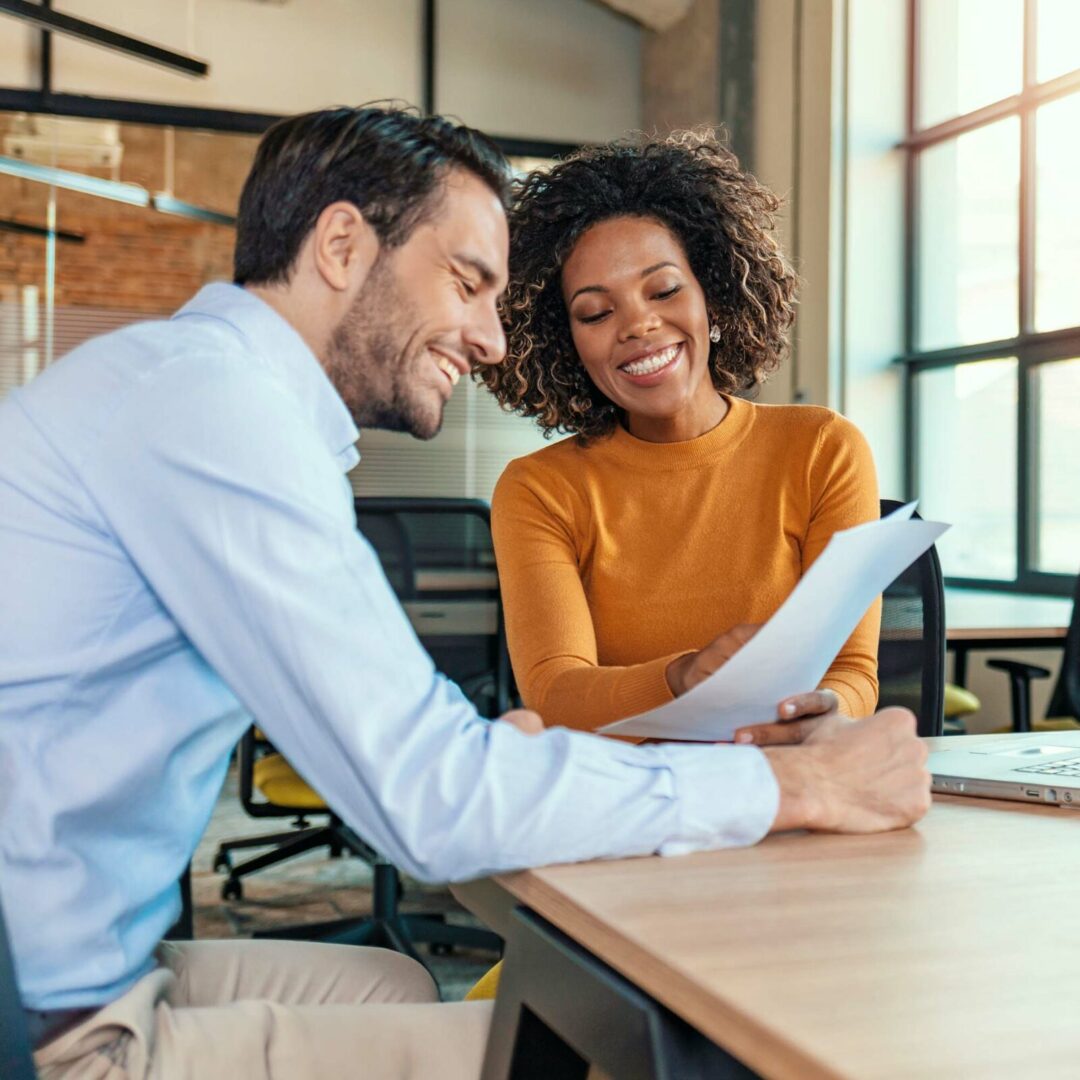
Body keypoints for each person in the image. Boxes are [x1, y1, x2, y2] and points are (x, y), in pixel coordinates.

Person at [0, 106, 929, 1080]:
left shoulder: (193, 386)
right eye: (469, 282)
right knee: (562, 1050)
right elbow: (429, 802)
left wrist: (486, 753)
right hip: (47, 1018)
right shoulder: (213, 414)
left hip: (79, 959)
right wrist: (795, 784)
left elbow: (417, 745)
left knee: (401, 989)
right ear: (344, 245)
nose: (492, 338)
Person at [481, 130, 880, 744]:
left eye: (663, 290)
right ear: (568, 343)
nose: (638, 324)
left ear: (713, 300)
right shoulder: (539, 489)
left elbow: (852, 672)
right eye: (595, 312)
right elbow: (556, 692)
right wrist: (682, 677)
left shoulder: (823, 449)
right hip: (624, 800)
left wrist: (826, 712)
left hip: (786, 783)